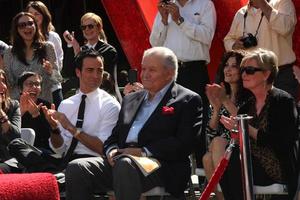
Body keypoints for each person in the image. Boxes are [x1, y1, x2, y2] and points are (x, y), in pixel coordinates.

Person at [64, 47, 203, 200]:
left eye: (152, 70)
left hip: (159, 164)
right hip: (122, 161)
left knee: (125, 165)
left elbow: (185, 143)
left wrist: (143, 151)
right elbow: (114, 136)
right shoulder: (131, 99)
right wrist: (111, 150)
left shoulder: (187, 99)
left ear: (169, 73)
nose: (145, 74)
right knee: (77, 168)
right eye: (143, 69)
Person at [9, 49, 120, 172]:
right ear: (78, 72)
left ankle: (55, 176)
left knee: (76, 166)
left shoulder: (111, 105)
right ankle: (54, 174)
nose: (96, 75)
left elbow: (104, 148)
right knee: (16, 145)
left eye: (99, 70)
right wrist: (54, 129)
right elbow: (60, 149)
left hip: (91, 162)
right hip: (63, 160)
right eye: (90, 70)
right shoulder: (66, 104)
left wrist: (70, 127)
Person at [219, 49, 299, 199]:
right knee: (228, 156)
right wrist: (236, 132)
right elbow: (242, 142)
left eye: (249, 70)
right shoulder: (246, 106)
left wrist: (246, 129)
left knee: (235, 159)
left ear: (266, 74)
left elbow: (282, 142)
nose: (243, 75)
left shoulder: (283, 101)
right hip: (250, 163)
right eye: (242, 70)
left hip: (277, 167)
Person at [149, 0, 216, 168]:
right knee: (168, 121)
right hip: (170, 72)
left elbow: (207, 36)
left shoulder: (204, 4)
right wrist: (164, 20)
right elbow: (154, 43)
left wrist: (179, 19)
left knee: (197, 122)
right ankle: (172, 170)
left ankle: (203, 172)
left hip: (194, 70)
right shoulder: (166, 7)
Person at [224, 0, 298, 99]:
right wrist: (234, 45)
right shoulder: (241, 13)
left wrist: (263, 4)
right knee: (252, 113)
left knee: (282, 113)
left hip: (280, 75)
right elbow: (228, 39)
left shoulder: (283, 3)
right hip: (251, 76)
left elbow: (286, 28)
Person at [202, 50, 251, 200]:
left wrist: (224, 101)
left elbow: (243, 122)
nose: (228, 69)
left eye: (234, 66)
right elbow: (209, 135)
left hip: (244, 147)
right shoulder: (223, 97)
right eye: (226, 65)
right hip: (221, 149)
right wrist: (216, 109)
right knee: (206, 157)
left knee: (216, 143)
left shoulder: (249, 96)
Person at [3, 12, 62, 104]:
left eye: (30, 23)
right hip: (19, 105)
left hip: (43, 104)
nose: (27, 27)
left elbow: (58, 80)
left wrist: (51, 71)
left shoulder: (48, 48)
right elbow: (8, 84)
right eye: (22, 25)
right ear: (17, 29)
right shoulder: (9, 52)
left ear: (36, 26)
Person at [62, 12, 118, 93]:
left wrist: (78, 53)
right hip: (82, 94)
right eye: (83, 27)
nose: (87, 29)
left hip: (103, 94)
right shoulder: (80, 49)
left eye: (90, 26)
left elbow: (106, 77)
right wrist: (71, 46)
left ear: (99, 28)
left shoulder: (109, 50)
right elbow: (68, 72)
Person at [26, 1, 64, 108]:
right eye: (30, 14)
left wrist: (50, 69)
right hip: (32, 92)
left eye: (37, 13)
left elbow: (59, 69)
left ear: (44, 16)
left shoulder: (52, 37)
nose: (33, 16)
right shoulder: (24, 39)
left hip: (52, 90)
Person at [18, 72, 53, 152]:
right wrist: (21, 112)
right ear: (21, 88)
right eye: (29, 84)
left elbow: (49, 138)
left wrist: (36, 115)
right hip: (16, 149)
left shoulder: (46, 106)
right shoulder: (12, 106)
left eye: (37, 84)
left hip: (41, 150)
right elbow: (6, 134)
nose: (34, 87)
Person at [0, 70, 21, 173]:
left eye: (3, 81)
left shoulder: (13, 106)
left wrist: (1, 113)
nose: (2, 86)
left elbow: (15, 137)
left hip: (7, 160)